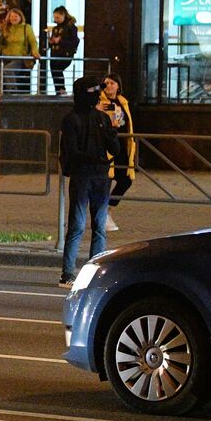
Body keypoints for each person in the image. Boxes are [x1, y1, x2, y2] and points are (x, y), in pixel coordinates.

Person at [60, 75, 124, 288]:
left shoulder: (89, 119)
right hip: (91, 177)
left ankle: (79, 274)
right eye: (95, 91)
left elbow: (113, 149)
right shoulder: (84, 119)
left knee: (88, 226)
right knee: (88, 226)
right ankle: (79, 274)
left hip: (91, 177)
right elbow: (75, 151)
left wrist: (111, 130)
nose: (98, 95)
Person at [101, 73, 135, 232]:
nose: (108, 86)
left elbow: (126, 122)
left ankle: (106, 210)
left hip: (122, 146)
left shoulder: (123, 102)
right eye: (106, 83)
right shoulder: (100, 102)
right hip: (107, 147)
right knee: (107, 180)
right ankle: (103, 215)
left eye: (112, 83)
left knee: (126, 180)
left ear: (118, 86)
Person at [0, 8, 40, 95]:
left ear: (21, 17)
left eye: (16, 16)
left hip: (20, 58)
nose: (13, 18)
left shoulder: (26, 28)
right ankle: (9, 95)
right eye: (11, 16)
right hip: (5, 57)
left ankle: (13, 92)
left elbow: (33, 41)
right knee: (6, 74)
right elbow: (0, 43)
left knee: (7, 70)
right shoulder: (6, 28)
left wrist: (35, 52)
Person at [48, 7, 80, 97]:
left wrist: (60, 41)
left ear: (63, 15)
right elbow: (53, 42)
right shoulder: (55, 29)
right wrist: (51, 43)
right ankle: (58, 90)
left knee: (57, 69)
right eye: (54, 18)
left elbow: (75, 42)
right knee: (54, 71)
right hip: (54, 54)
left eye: (57, 18)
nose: (55, 20)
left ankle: (62, 89)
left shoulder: (71, 27)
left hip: (65, 54)